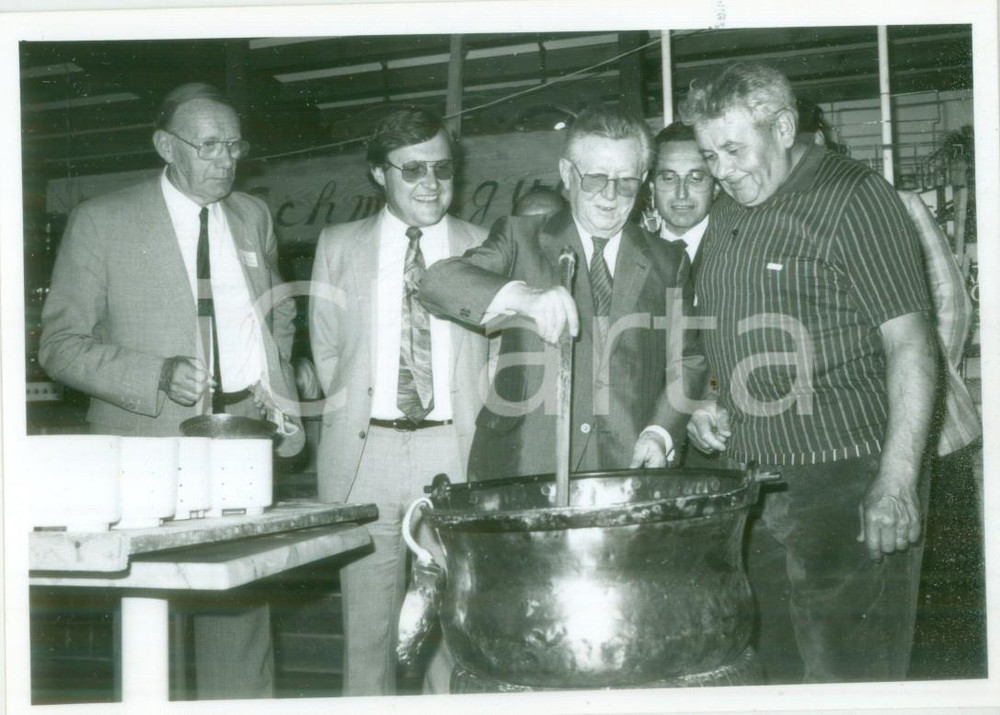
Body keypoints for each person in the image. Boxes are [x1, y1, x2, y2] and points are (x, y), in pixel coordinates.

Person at [39, 82, 303, 699]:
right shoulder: (101, 220)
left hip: (241, 441)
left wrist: (270, 377)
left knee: (241, 609)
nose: (225, 160)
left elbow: (276, 310)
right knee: (152, 621)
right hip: (147, 446)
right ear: (166, 146)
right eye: (209, 146)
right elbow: (58, 346)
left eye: (234, 146)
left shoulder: (251, 214)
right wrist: (154, 374)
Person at [679, 62, 937, 683]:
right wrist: (713, 398)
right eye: (710, 155)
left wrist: (897, 480)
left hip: (845, 483)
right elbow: (726, 339)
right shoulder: (726, 214)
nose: (722, 171)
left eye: (734, 149)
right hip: (756, 486)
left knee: (848, 677)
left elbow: (911, 343)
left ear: (786, 127)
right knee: (769, 673)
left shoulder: (854, 196)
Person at [420, 104, 704, 479]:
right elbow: (436, 283)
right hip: (525, 463)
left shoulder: (669, 261)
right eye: (595, 178)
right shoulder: (520, 238)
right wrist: (524, 296)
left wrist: (660, 432)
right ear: (567, 174)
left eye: (626, 182)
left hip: (627, 465)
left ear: (644, 178)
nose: (610, 196)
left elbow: (687, 361)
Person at [309, 106, 489, 695]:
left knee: (456, 630)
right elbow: (329, 354)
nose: (430, 184)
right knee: (368, 638)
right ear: (377, 174)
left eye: (441, 168)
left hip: (455, 451)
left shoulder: (484, 247)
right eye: (412, 170)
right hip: (368, 457)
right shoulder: (338, 245)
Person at [648, 121, 718, 267]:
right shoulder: (633, 254)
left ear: (716, 187)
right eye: (669, 178)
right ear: (652, 187)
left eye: (695, 179)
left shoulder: (736, 251)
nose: (681, 194)